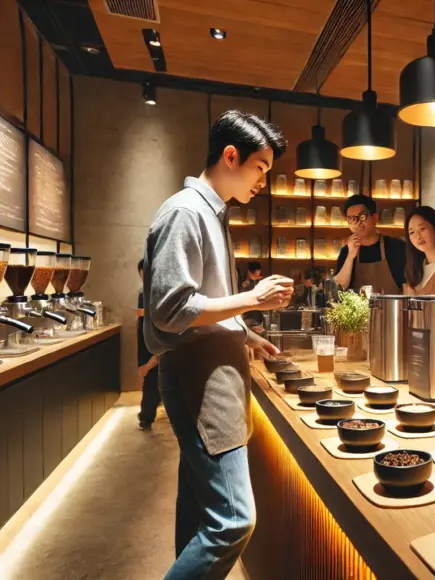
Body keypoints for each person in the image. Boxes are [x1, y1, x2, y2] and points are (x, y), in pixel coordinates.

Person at [144, 110, 295, 579]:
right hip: (200, 382)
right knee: (233, 521)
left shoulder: (211, 213)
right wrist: (253, 298)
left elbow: (203, 305)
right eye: (261, 169)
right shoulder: (186, 212)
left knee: (197, 513)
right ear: (232, 156)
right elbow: (171, 309)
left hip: (215, 376)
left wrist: (245, 333)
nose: (262, 183)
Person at [334, 194, 407, 294]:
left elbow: (409, 285)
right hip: (357, 310)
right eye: (352, 218)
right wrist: (350, 256)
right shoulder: (346, 251)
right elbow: (339, 288)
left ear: (375, 218)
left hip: (392, 308)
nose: (358, 223)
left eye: (362, 216)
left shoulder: (396, 247)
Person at [137, 258, 160, 430]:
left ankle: (146, 416)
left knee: (154, 380)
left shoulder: (160, 293)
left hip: (157, 341)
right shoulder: (143, 294)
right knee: (151, 379)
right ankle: (146, 415)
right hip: (145, 340)